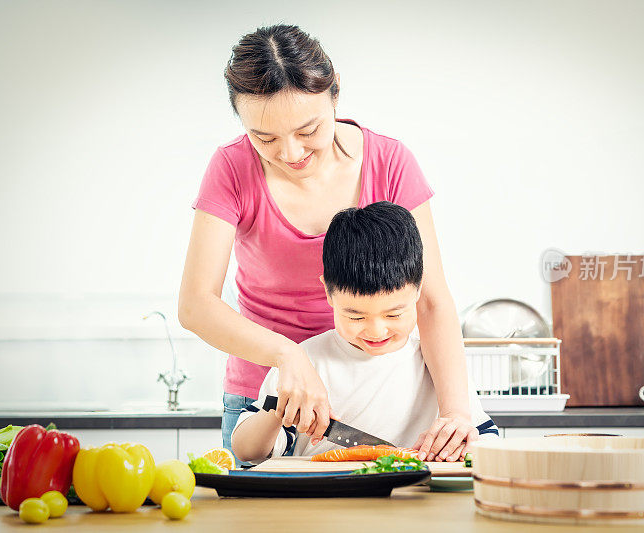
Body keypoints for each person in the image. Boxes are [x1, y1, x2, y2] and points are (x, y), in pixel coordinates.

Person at [178, 24, 476, 464]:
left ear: (335, 94)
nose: (290, 152)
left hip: (374, 389)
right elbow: (195, 305)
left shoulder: (390, 162)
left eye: (308, 129)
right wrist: (288, 357)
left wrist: (455, 412)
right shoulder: (231, 168)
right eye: (265, 138)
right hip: (268, 405)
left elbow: (430, 301)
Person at [231, 202, 499, 462]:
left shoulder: (437, 364)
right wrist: (278, 411)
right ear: (328, 292)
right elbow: (246, 452)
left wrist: (461, 442)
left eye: (394, 314)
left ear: (418, 290)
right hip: (326, 501)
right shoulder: (306, 361)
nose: (376, 330)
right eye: (355, 315)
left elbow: (488, 442)